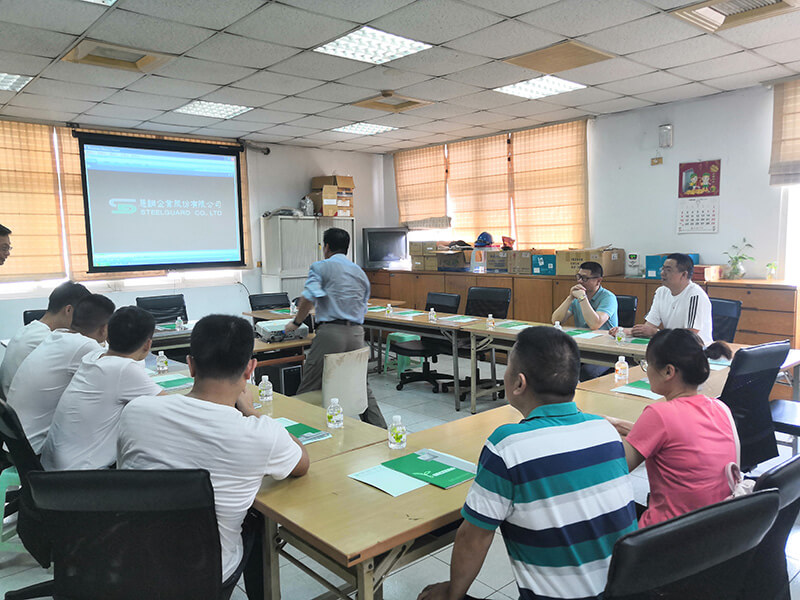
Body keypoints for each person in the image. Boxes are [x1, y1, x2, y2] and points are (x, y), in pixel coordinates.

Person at [418, 327, 637, 600]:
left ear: (518, 383)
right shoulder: (605, 431)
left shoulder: (507, 446)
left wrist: (452, 594)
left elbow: (474, 538)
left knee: (430, 597)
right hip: (626, 592)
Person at [118, 315, 309, 600]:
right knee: (257, 517)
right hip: (206, 574)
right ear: (250, 369)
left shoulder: (136, 410)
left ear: (191, 365)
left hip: (132, 563)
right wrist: (251, 411)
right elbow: (302, 463)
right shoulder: (261, 434)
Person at [606, 328, 735, 528]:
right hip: (716, 529)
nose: (647, 370)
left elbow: (615, 469)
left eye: (647, 363)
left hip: (667, 535)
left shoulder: (659, 415)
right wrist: (616, 423)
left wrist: (598, 433)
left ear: (668, 371)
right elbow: (675, 439)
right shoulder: (721, 408)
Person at [41, 306, 166, 471]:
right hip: (80, 475)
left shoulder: (92, 357)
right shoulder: (123, 369)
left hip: (52, 468)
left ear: (106, 334)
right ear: (148, 344)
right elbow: (170, 405)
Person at [285, 227, 386, 428]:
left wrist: (296, 322)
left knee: (310, 385)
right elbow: (363, 303)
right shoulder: (359, 272)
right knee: (359, 385)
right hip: (357, 333)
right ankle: (382, 432)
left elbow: (308, 297)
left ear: (326, 247)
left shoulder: (320, 267)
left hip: (331, 334)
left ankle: (299, 432)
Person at [7, 293, 114, 453]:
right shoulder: (85, 345)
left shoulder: (56, 336)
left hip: (16, 445)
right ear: (105, 328)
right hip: (38, 449)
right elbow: (112, 383)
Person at [0, 281, 91, 398]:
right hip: (24, 404)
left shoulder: (29, 329)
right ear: (69, 310)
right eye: (85, 314)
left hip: (13, 401)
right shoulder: (48, 341)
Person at [610, 253, 713, 345]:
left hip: (695, 350)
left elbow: (690, 335)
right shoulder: (661, 292)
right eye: (663, 269)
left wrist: (656, 333)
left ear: (684, 274)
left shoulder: (695, 296)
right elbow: (649, 326)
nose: (662, 273)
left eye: (668, 270)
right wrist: (624, 331)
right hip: (672, 346)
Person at [552, 261, 619, 380]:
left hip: (605, 351)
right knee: (557, 365)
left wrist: (582, 298)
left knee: (585, 373)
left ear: (598, 281)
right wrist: (570, 298)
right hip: (583, 346)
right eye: (578, 277)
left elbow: (595, 324)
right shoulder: (578, 296)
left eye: (585, 278)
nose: (580, 281)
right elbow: (556, 320)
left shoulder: (608, 298)